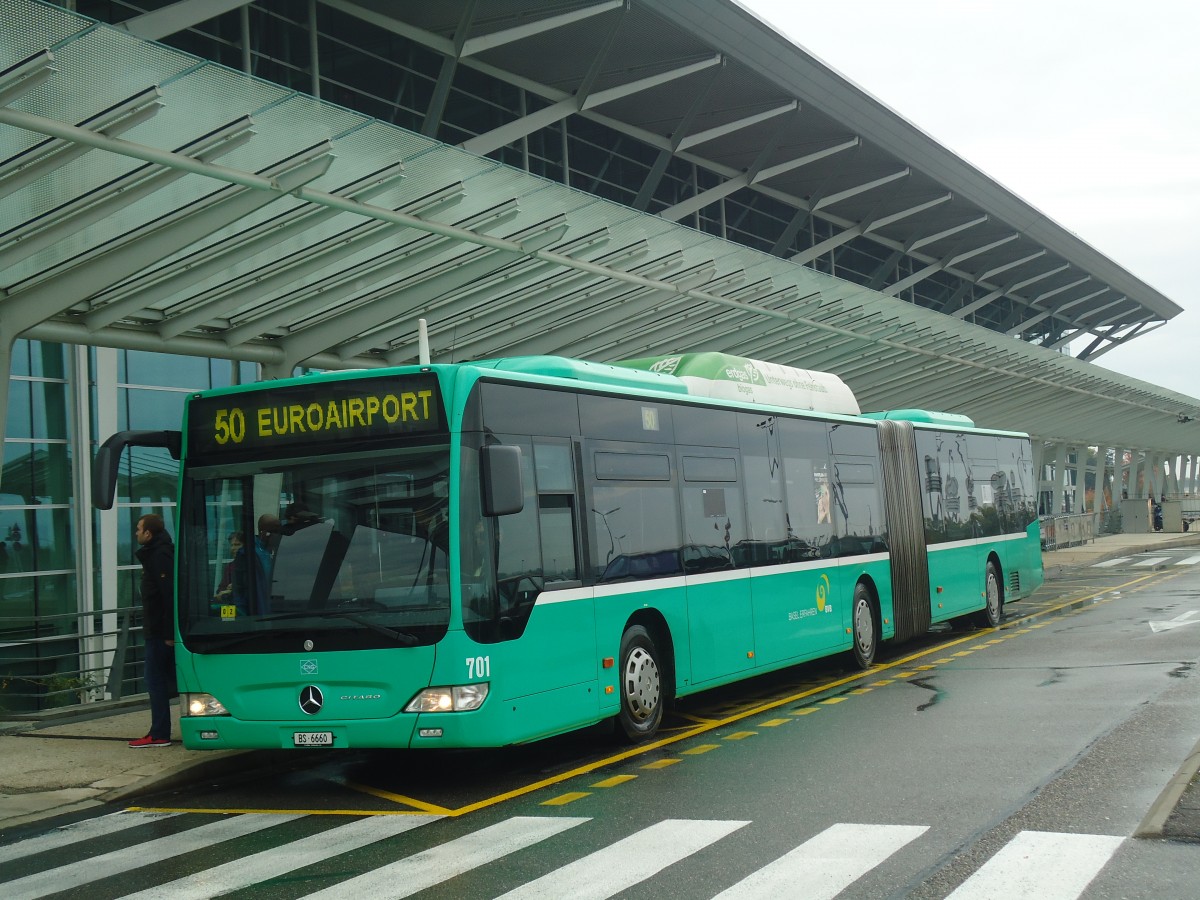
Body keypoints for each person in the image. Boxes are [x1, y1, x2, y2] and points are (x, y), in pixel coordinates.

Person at [131, 513, 176, 748]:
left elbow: (168, 596)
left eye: (139, 529)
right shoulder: (156, 554)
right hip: (158, 629)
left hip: (160, 632)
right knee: (162, 679)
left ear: (148, 533)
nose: (136, 533)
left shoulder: (159, 556)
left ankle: (159, 734)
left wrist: (169, 632)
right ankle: (159, 732)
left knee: (154, 679)